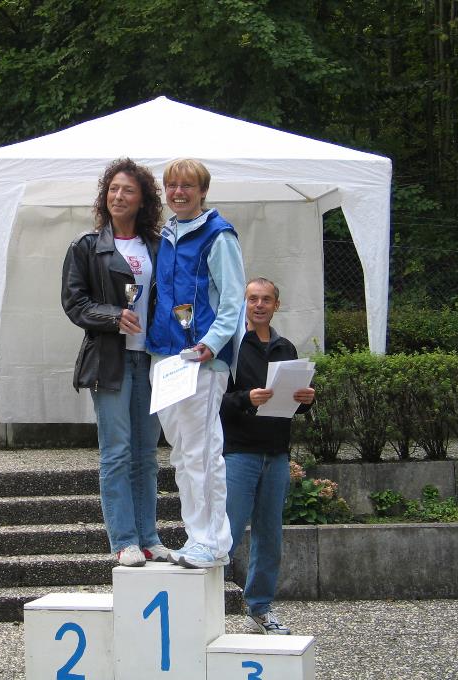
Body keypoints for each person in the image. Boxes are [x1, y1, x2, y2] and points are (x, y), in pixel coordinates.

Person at [61, 158, 170, 567]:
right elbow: (74, 302)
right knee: (118, 452)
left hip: (151, 359)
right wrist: (113, 316)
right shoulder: (86, 246)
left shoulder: (158, 245)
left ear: (143, 200)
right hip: (110, 360)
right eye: (113, 189)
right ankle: (124, 540)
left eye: (128, 190)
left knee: (147, 454)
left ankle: (149, 538)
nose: (118, 196)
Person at [146, 158, 246, 569]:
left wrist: (211, 343)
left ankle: (214, 541)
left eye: (187, 186)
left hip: (202, 361)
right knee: (182, 454)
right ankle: (195, 536)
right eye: (172, 185)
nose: (178, 192)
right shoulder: (165, 234)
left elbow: (233, 300)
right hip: (166, 359)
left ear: (202, 191)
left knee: (204, 452)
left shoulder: (219, 235)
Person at [220, 277, 315, 635]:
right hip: (239, 452)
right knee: (227, 534)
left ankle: (259, 609)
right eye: (252, 299)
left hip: (276, 453)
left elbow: (293, 403)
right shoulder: (230, 346)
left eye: (266, 299)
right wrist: (246, 399)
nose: (259, 305)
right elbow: (214, 400)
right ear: (244, 304)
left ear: (277, 305)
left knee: (269, 536)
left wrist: (306, 399)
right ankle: (204, 606)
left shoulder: (285, 347)